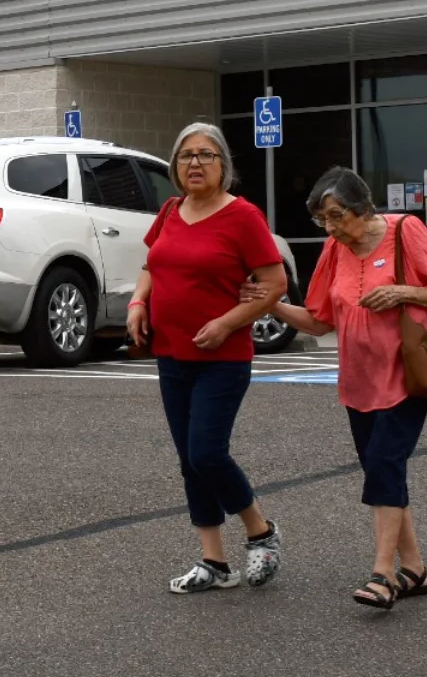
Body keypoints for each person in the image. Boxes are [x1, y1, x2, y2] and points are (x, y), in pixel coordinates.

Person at [248, 166, 427, 610]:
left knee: (386, 463)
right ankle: (416, 570)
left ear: (364, 209)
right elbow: (321, 321)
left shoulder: (406, 231)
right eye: (321, 220)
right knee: (382, 473)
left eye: (336, 216)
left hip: (407, 375)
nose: (330, 228)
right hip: (358, 381)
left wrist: (404, 293)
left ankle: (383, 575)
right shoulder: (334, 249)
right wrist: (271, 304)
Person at [125, 122, 290, 595]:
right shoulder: (171, 211)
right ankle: (214, 562)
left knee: (207, 452)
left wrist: (226, 323)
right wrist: (139, 302)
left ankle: (261, 531)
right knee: (188, 460)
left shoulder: (243, 217)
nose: (194, 164)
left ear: (224, 166)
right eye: (185, 156)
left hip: (223, 356)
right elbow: (150, 266)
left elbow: (274, 283)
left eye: (206, 155)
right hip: (171, 352)